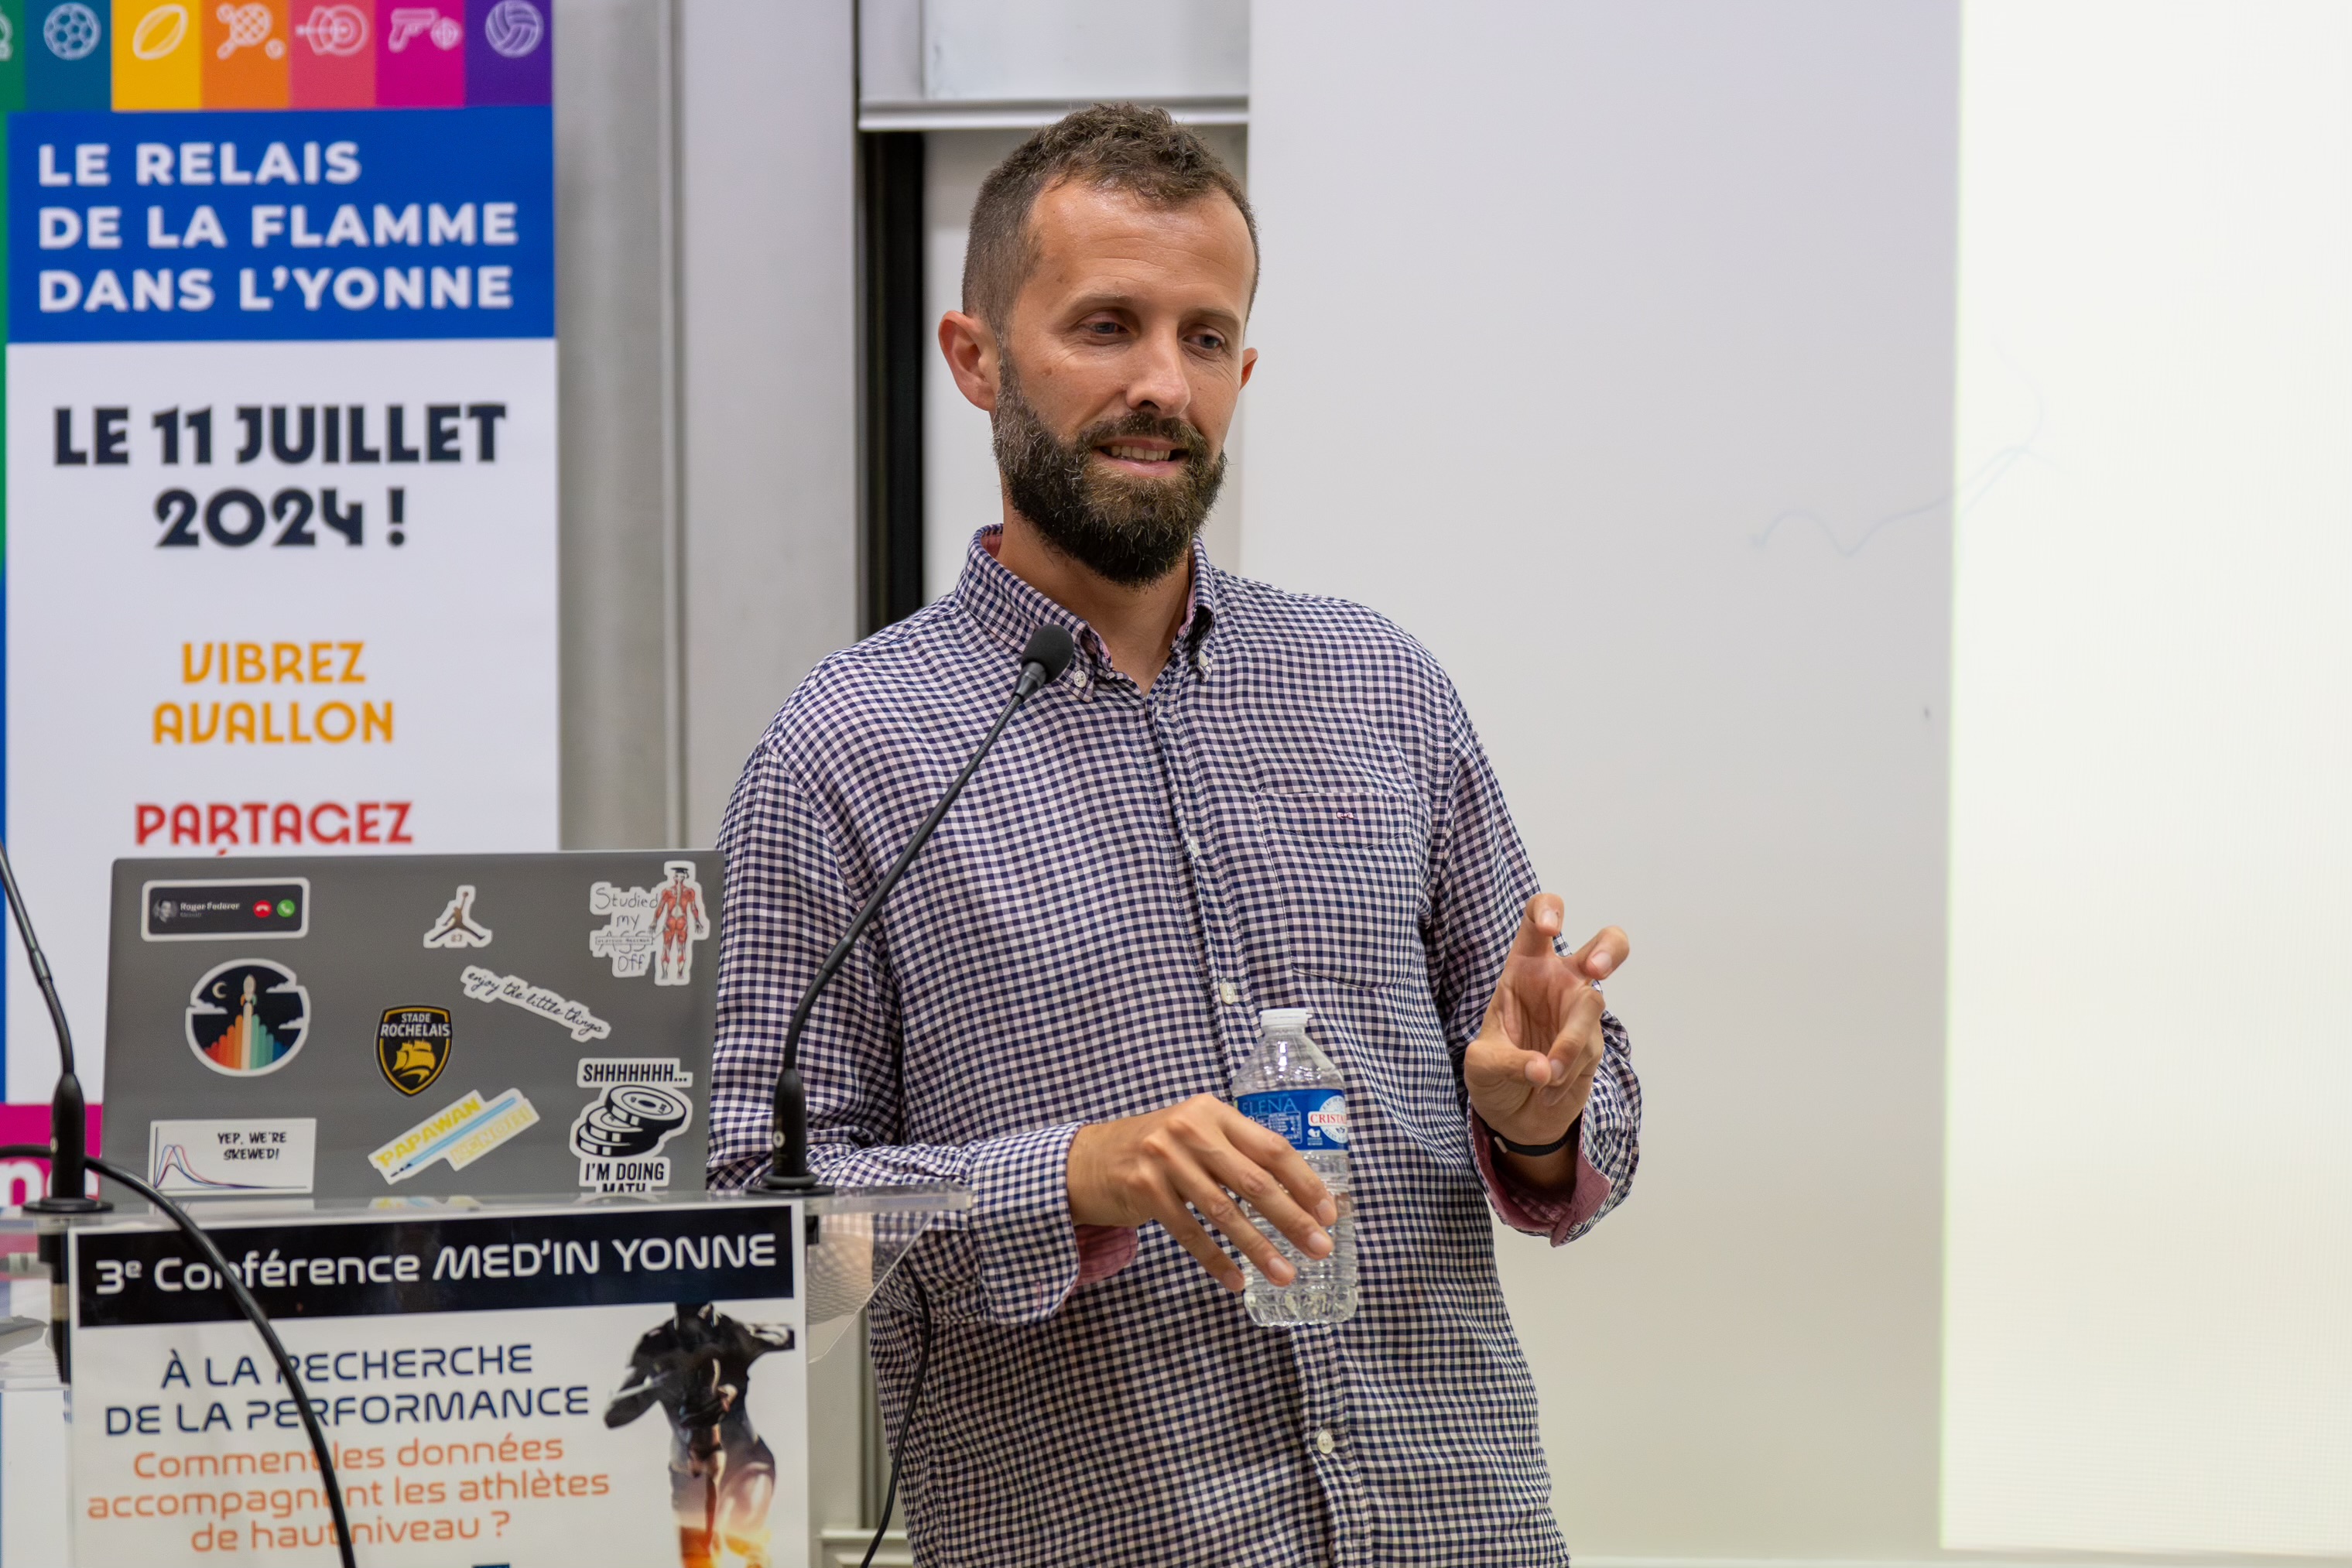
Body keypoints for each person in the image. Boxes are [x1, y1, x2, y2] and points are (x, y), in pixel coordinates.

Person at [708, 103, 1642, 1566]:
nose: (1162, 383)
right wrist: (1070, 1177)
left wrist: (1544, 1112)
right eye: (1106, 326)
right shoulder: (843, 752)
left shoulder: (1379, 688)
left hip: (1455, 1529)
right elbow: (756, 1236)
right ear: (974, 358)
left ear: (1242, 372)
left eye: (1205, 339)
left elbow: (1579, 1115)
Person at [605, 1302, 796, 1568]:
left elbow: (802, 1331)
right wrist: (658, 1386)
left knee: (739, 1536)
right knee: (699, 1561)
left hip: (745, 1464)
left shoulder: (736, 1335)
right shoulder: (655, 1345)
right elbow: (612, 1416)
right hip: (689, 1473)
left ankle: (754, 1552)